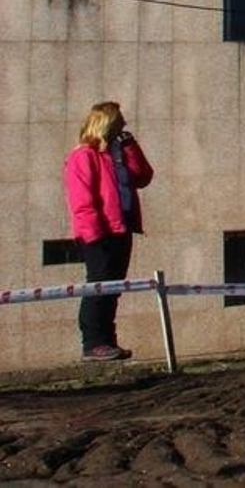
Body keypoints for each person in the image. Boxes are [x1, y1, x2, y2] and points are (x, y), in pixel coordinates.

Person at [63, 101, 154, 362]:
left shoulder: (116, 154)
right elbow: (82, 200)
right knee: (99, 284)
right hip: (100, 233)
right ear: (107, 123)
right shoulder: (83, 156)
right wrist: (93, 234)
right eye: (120, 121)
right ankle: (92, 342)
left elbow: (143, 176)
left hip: (121, 228)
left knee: (113, 287)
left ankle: (107, 340)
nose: (124, 125)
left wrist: (130, 146)